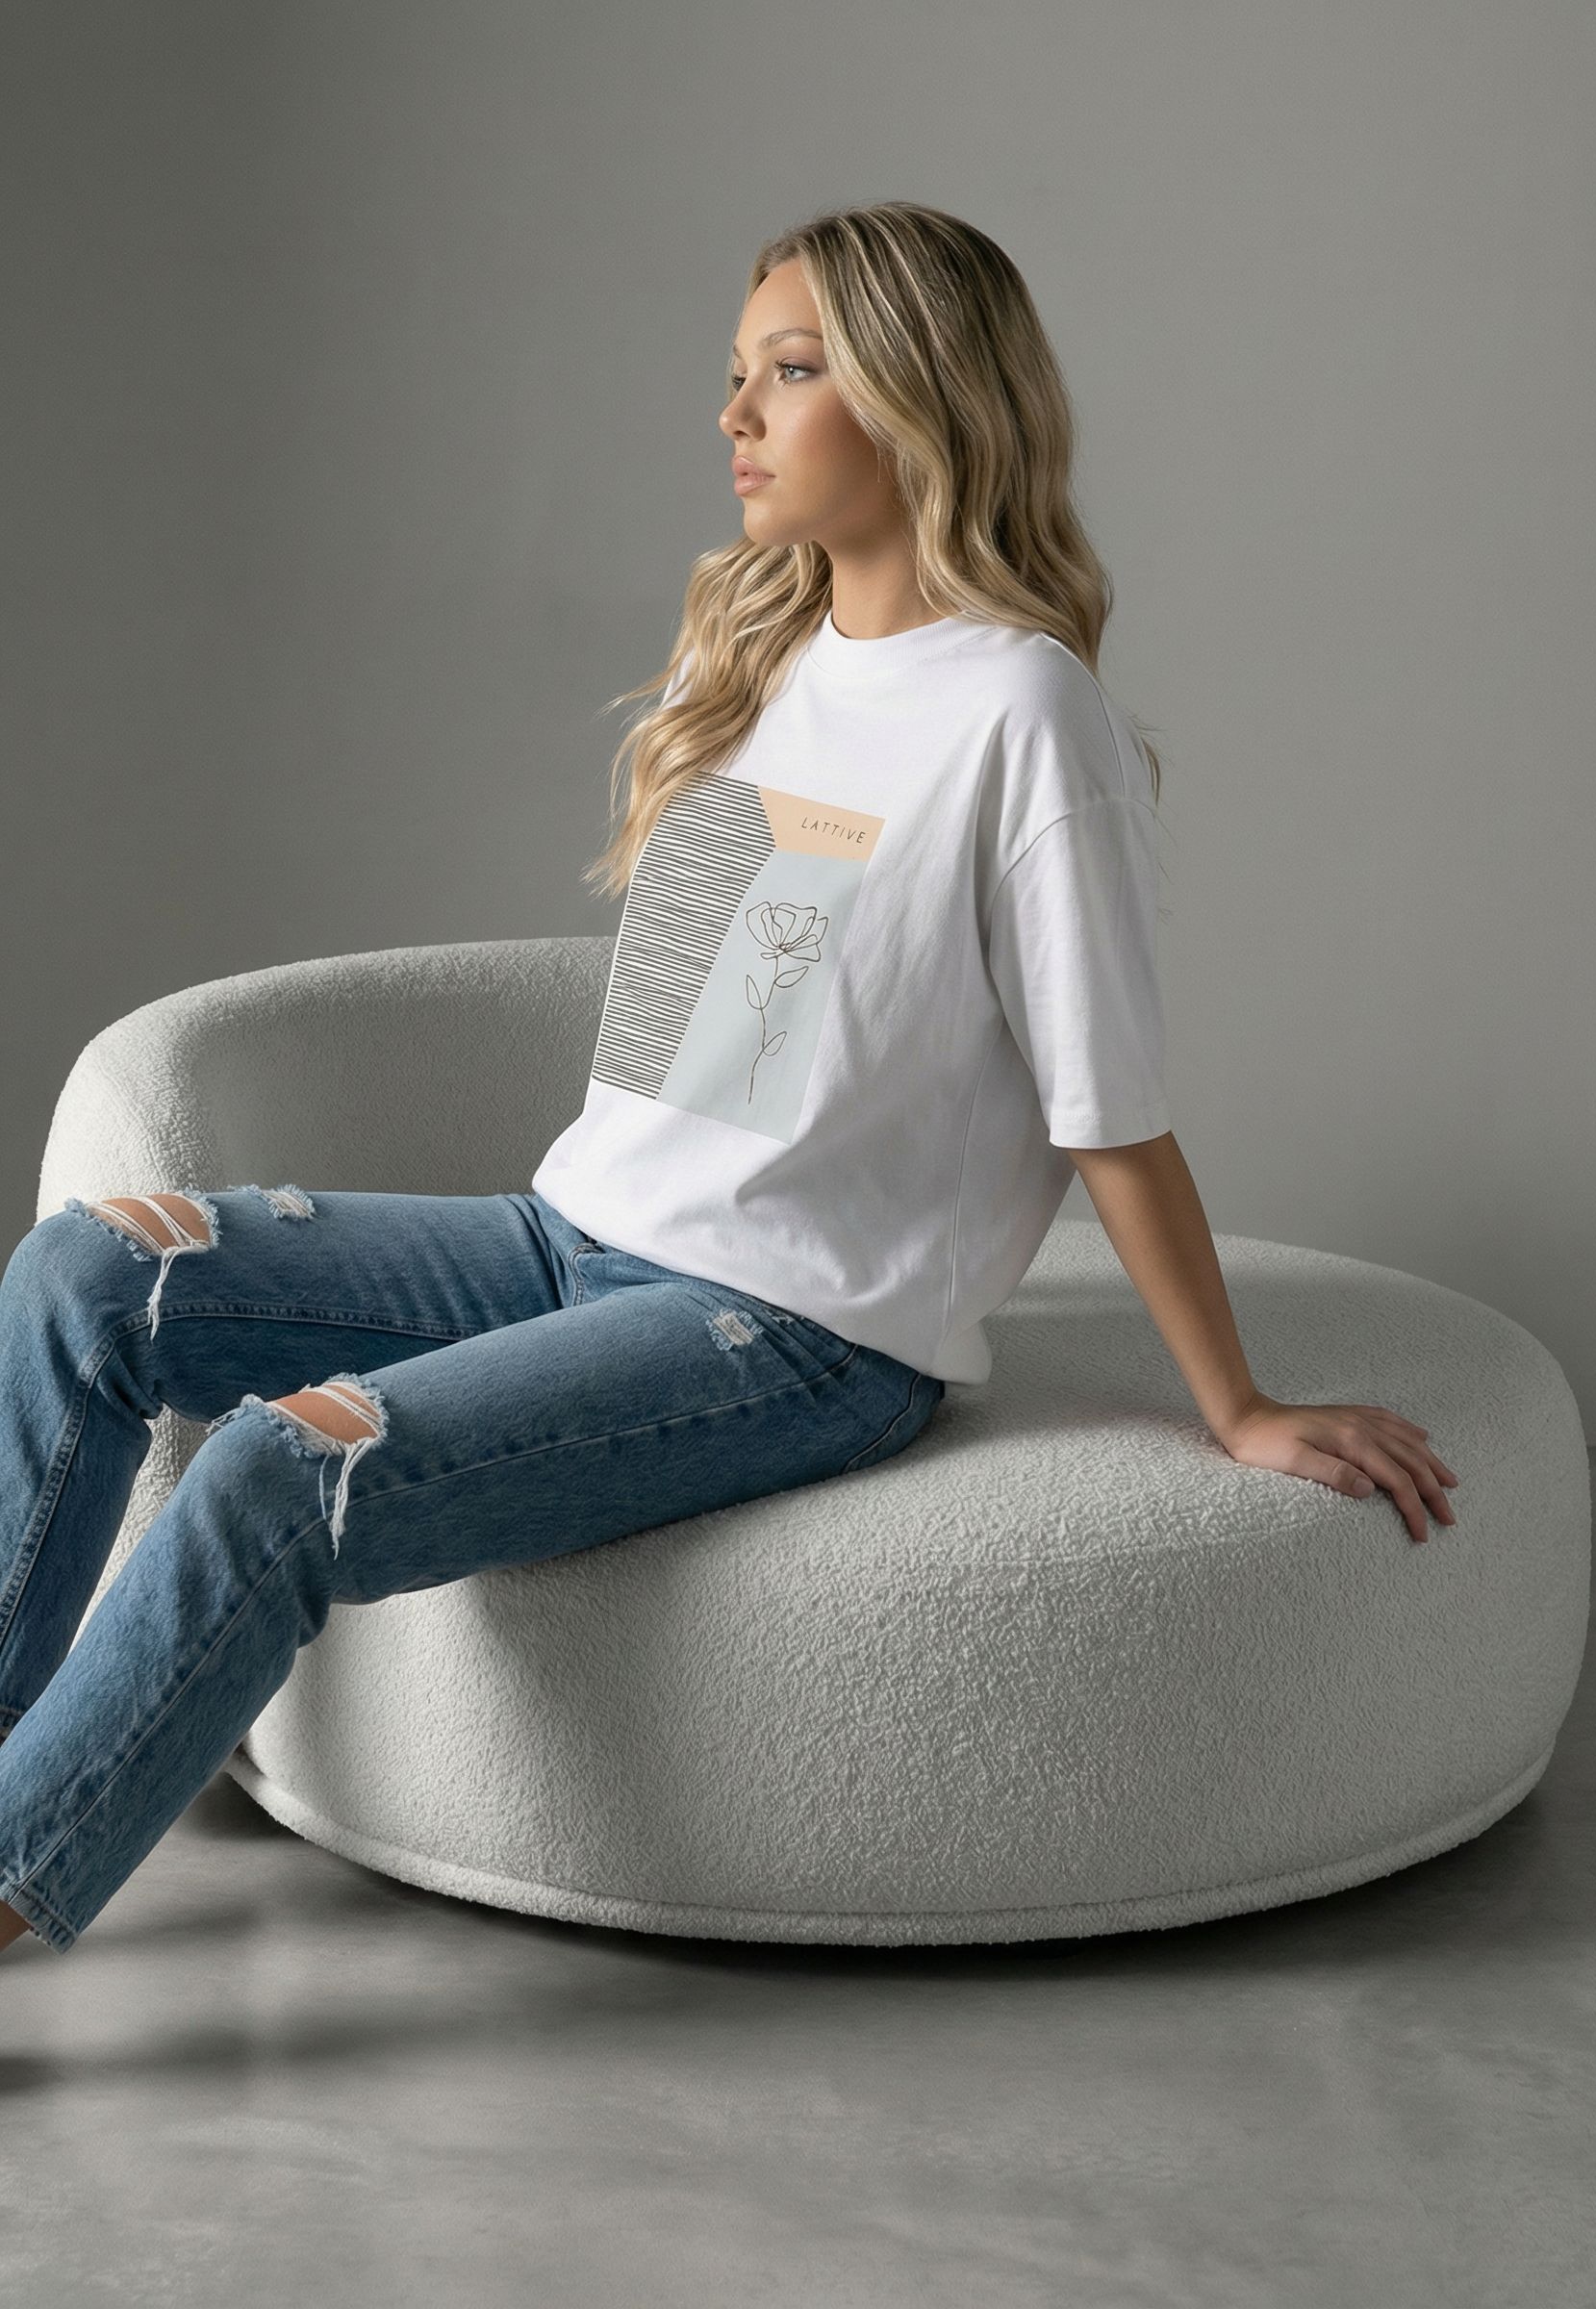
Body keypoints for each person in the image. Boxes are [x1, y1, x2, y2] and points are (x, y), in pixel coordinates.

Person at [0, 200, 1457, 1960]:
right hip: (567, 1240)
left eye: (792, 370)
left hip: (791, 1332)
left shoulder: (1025, 716)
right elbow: (717, 1056)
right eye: (738, 373)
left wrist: (1239, 1407)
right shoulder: (761, 657)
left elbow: (1110, 1116)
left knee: (270, 1474)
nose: (735, 414)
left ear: (921, 395)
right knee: (87, 1274)